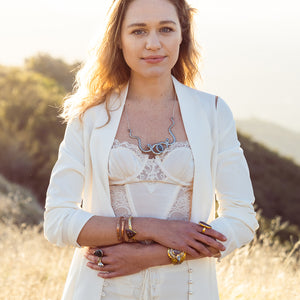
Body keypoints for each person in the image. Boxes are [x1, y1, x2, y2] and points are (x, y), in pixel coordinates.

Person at [44, 0, 259, 299]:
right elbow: (57, 221)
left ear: (182, 35)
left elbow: (241, 220)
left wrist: (152, 255)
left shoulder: (213, 112)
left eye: (166, 29)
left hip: (187, 290)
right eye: (138, 31)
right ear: (118, 39)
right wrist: (150, 227)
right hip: (99, 289)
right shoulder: (90, 116)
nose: (153, 43)